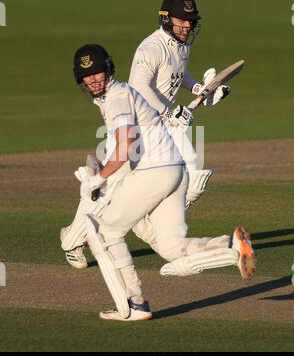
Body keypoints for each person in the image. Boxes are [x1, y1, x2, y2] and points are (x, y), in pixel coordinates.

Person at [65, 43, 256, 321]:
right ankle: (231, 246)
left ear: (109, 70)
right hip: (175, 171)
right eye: (87, 75)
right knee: (171, 246)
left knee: (108, 233)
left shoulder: (117, 97)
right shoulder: (118, 95)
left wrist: (99, 178)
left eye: (98, 72)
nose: (93, 79)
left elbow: (126, 144)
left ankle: (135, 303)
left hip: (154, 171)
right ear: (80, 79)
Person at [128, 0, 231, 245]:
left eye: (191, 20)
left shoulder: (181, 45)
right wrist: (169, 111)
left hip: (166, 125)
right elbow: (138, 86)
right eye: (182, 20)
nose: (188, 25)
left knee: (195, 179)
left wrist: (201, 90)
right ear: (166, 19)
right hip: (139, 126)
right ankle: (77, 238)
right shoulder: (151, 48)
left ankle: (161, 228)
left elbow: (179, 75)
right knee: (113, 192)